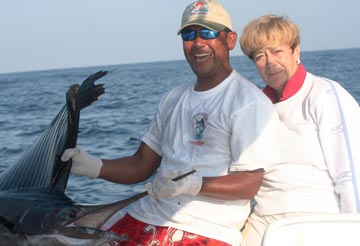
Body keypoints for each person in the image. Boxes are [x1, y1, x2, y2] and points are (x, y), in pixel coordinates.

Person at [61, 1, 278, 245]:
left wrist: (193, 184)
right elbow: (141, 165)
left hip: (205, 229)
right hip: (145, 215)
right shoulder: (173, 98)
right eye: (188, 34)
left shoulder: (248, 102)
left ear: (230, 40)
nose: (197, 43)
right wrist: (90, 166)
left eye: (208, 32)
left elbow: (249, 184)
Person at [239, 14, 360, 246]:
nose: (270, 62)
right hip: (263, 219)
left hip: (315, 219)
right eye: (260, 56)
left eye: (277, 52)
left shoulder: (324, 94)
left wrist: (352, 231)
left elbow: (351, 173)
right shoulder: (256, 108)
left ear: (296, 51)